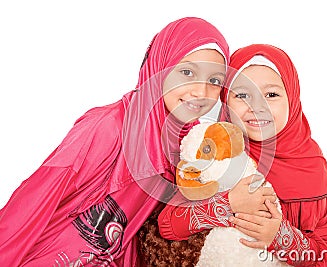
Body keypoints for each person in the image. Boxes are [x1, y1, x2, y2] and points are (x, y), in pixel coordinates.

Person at [0, 17, 229, 266]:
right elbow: (35, 197)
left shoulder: (187, 144)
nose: (201, 92)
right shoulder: (109, 126)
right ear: (160, 65)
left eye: (215, 81)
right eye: (187, 72)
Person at [157, 44, 327, 266]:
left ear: (292, 100)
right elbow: (168, 225)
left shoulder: (310, 166)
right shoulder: (217, 153)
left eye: (271, 94)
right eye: (242, 95)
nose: (256, 106)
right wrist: (229, 204)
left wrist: (283, 238)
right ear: (226, 101)